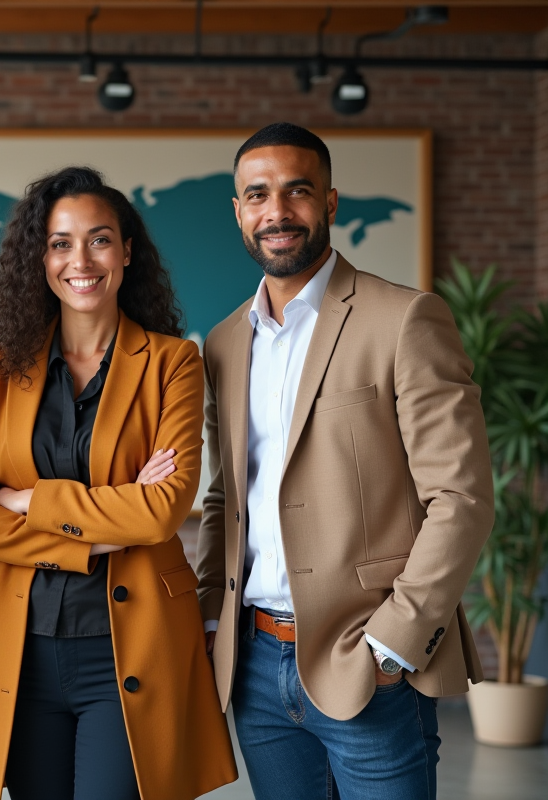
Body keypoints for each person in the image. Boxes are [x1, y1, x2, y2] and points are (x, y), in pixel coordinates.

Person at [196, 122, 494, 799]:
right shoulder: (223, 344)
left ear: (329, 203)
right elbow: (227, 498)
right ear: (239, 211)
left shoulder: (405, 319)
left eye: (297, 192)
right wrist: (216, 616)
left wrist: (393, 643)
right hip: (256, 666)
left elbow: (463, 498)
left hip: (368, 660)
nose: (277, 212)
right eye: (258, 195)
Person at [0, 166, 237, 800]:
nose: (81, 259)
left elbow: (161, 511)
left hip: (132, 645)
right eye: (59, 242)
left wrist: (25, 500)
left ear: (127, 252)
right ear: (40, 258)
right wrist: (95, 536)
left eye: (100, 239)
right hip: (19, 652)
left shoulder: (172, 362)